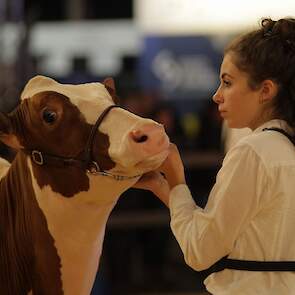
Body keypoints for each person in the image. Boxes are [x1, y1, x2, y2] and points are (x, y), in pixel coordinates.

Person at [133, 17, 295, 294]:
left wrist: (177, 181)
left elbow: (200, 251)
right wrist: (168, 189)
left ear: (266, 90)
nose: (216, 96)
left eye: (228, 83)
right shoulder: (283, 149)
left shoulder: (253, 151)